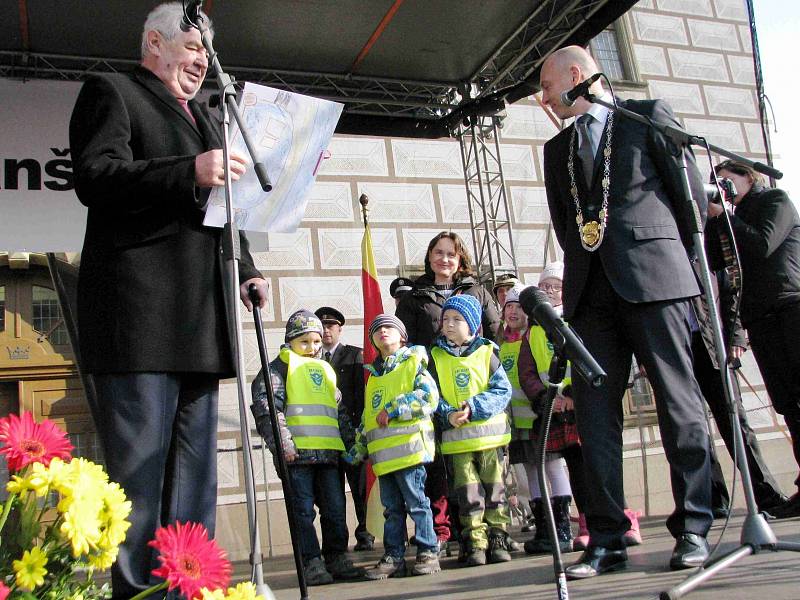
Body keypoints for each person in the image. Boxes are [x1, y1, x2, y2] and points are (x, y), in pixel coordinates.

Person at [68, 3, 269, 597]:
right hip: (139, 319)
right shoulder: (113, 90)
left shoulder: (209, 117)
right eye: (192, 45)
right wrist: (189, 170)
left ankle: (189, 588)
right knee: (140, 479)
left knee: (193, 484)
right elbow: (96, 177)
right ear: (154, 42)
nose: (203, 58)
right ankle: (135, 592)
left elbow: (225, 207)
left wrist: (249, 270)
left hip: (199, 319)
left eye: (207, 50)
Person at [539, 46, 713, 578]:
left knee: (677, 405)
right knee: (594, 420)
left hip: (656, 281)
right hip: (591, 296)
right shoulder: (556, 148)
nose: (542, 99)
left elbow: (692, 204)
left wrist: (688, 279)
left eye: (546, 87)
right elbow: (566, 226)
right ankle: (607, 536)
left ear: (575, 76)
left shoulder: (648, 116)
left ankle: (694, 526)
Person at [707, 160, 800, 518]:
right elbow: (716, 261)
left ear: (750, 177)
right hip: (760, 318)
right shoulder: (729, 217)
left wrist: (725, 216)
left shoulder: (774, 201)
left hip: (789, 308)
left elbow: (762, 245)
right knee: (788, 404)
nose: (723, 187)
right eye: (718, 182)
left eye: (727, 180)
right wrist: (714, 217)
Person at [396, 231, 501, 548]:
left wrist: (489, 379)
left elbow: (495, 337)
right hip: (435, 389)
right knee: (439, 462)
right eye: (438, 253)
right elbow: (406, 346)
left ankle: (488, 530)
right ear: (429, 257)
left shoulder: (478, 292)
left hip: (474, 388)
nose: (444, 259)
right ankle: (446, 530)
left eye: (451, 254)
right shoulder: (415, 298)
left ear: (460, 260)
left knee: (482, 459)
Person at [250, 310, 362, 585]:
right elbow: (267, 410)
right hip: (296, 457)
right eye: (305, 342)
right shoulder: (277, 370)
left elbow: (339, 412)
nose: (312, 348)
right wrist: (283, 443)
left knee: (335, 510)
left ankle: (336, 556)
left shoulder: (325, 370)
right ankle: (310, 561)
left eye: (316, 342)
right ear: (290, 341)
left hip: (328, 455)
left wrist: (353, 446)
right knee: (302, 512)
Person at [689, 263, 788, 516]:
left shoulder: (704, 246)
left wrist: (736, 337)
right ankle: (713, 498)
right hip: (676, 349)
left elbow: (732, 290)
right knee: (692, 426)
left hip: (714, 344)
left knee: (734, 419)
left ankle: (765, 493)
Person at [346, 314, 441, 579]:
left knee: (417, 504)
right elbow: (369, 417)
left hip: (411, 452)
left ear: (402, 336)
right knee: (392, 510)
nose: (382, 332)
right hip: (384, 459)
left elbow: (428, 398)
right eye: (376, 331)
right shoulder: (374, 377)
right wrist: (358, 448)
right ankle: (394, 556)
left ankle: (427, 550)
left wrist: (394, 408)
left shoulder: (414, 363)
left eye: (389, 327)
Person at [429, 295, 513, 566]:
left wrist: (474, 407)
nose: (450, 324)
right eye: (446, 319)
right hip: (457, 443)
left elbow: (502, 390)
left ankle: (498, 536)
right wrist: (447, 414)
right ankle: (475, 541)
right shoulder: (435, 357)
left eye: (457, 319)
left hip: (490, 440)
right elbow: (431, 396)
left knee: (495, 489)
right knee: (468, 494)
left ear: (474, 325)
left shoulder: (488, 353)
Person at [314, 306, 374, 551]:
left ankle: (366, 532)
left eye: (331, 326)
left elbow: (361, 396)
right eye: (322, 326)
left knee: (359, 488)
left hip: (351, 434)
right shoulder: (311, 361)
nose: (327, 331)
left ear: (340, 328)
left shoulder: (354, 356)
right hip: (326, 436)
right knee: (331, 494)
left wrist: (361, 430)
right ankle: (337, 540)